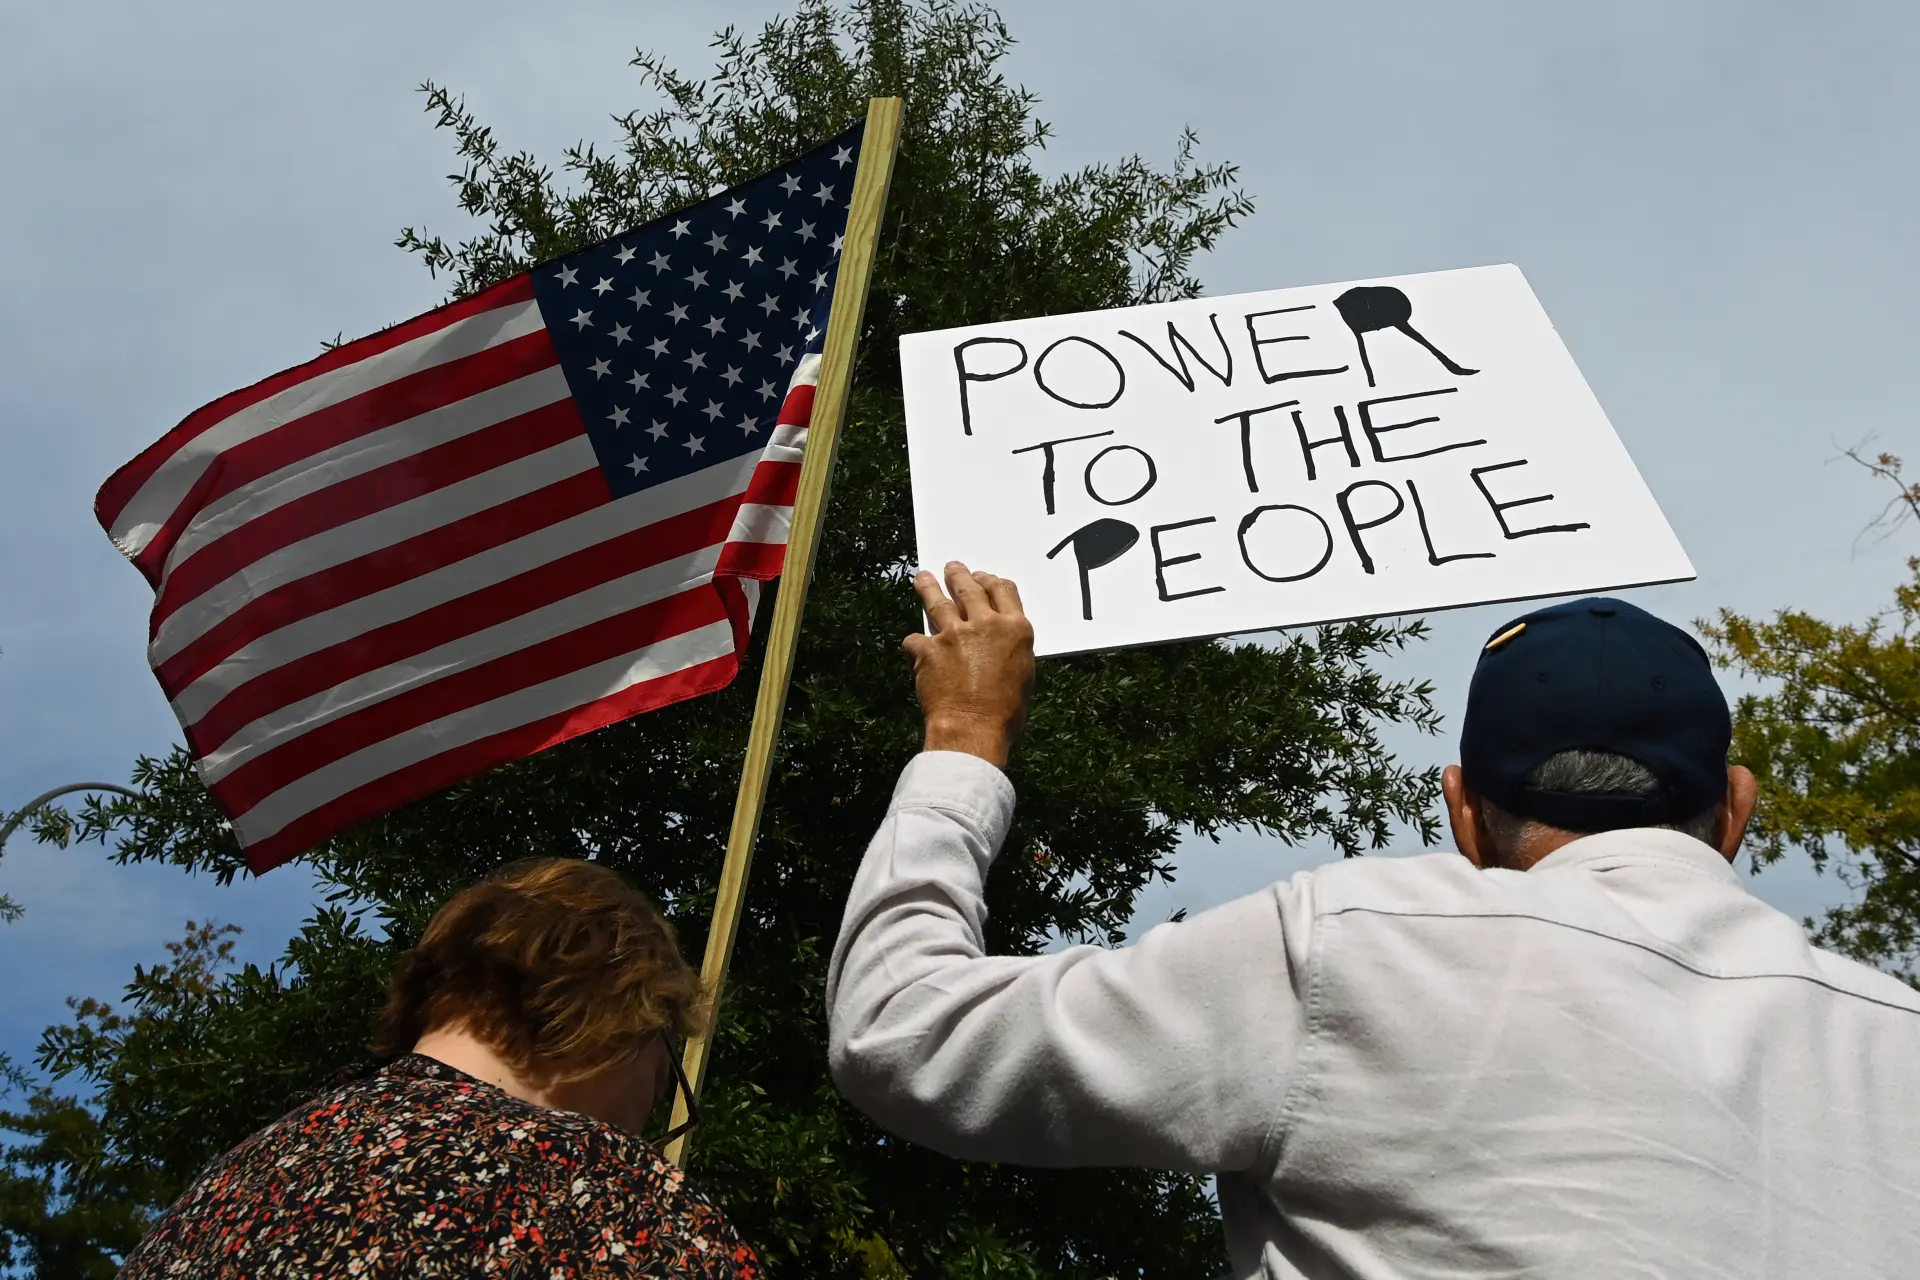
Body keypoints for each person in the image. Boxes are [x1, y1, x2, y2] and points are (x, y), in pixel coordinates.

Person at [826, 563, 1920, 1279]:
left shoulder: (1358, 941)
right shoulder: (1899, 1039)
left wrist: (966, 732)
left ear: (1463, 813)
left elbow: (902, 1029)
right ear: (1735, 808)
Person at [123, 857, 761, 1279]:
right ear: (625, 1019)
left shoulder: (222, 1191)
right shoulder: (590, 1185)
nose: (649, 1120)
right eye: (663, 1075)